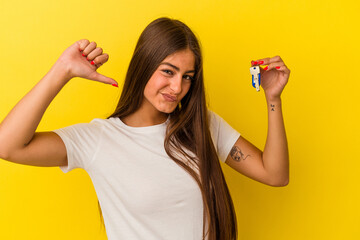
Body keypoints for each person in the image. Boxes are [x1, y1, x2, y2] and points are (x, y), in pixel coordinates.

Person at [0, 17, 290, 240]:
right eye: (168, 71)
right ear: (144, 64)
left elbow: (275, 174)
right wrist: (61, 71)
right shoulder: (99, 139)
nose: (177, 87)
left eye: (187, 77)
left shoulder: (201, 126)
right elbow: (8, 146)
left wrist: (272, 99)